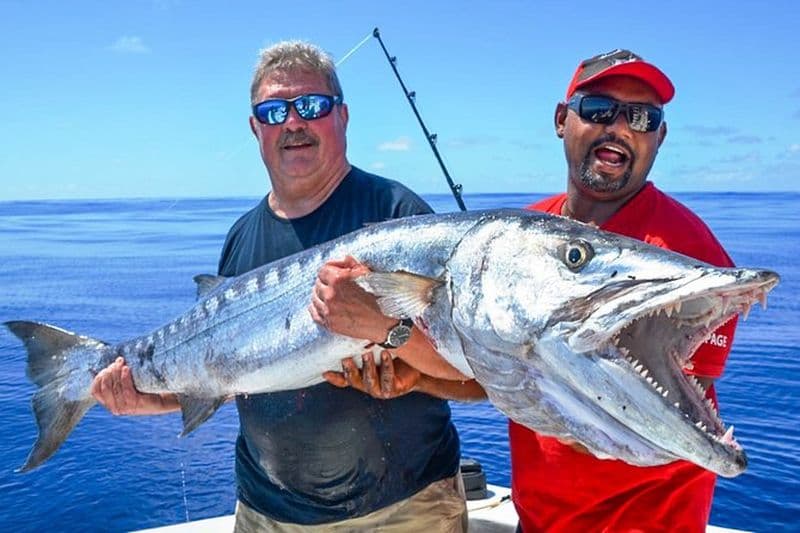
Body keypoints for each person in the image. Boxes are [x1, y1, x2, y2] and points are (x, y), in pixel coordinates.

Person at [90, 40, 474, 532]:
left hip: (402, 509)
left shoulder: (398, 217)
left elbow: (471, 372)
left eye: (312, 106)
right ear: (256, 128)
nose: (293, 122)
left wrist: (387, 329)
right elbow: (236, 373)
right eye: (274, 111)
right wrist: (154, 397)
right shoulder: (241, 237)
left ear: (343, 117)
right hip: (266, 513)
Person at [509, 49, 740, 532]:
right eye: (598, 109)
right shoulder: (522, 235)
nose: (619, 127)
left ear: (660, 136)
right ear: (561, 119)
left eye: (641, 117)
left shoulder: (692, 261)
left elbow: (653, 415)